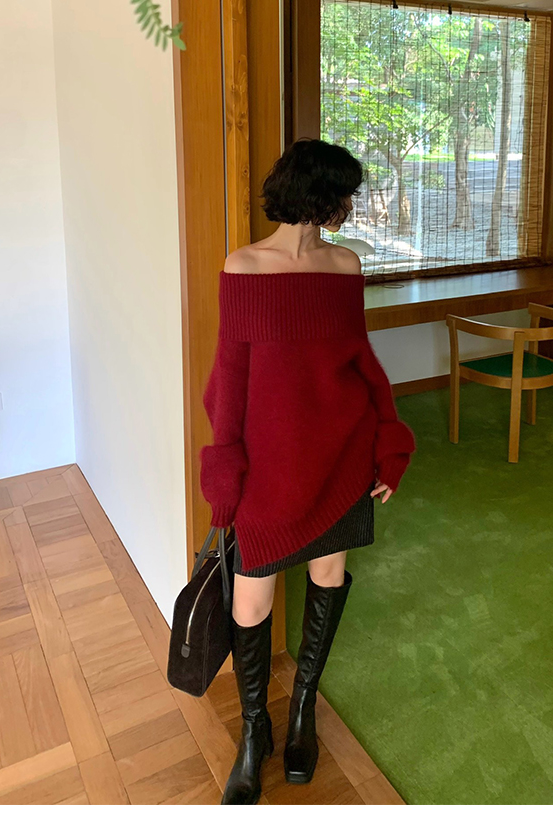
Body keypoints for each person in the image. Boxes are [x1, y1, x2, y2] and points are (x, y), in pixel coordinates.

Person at [199, 138, 416, 805]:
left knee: (328, 574)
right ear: (318, 194)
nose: (349, 205)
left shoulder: (345, 265)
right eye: (343, 194)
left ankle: (302, 710)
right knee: (251, 596)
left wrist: (389, 435)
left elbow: (361, 360)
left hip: (341, 453)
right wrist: (225, 464)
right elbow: (229, 377)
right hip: (270, 464)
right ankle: (254, 729)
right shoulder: (243, 265)